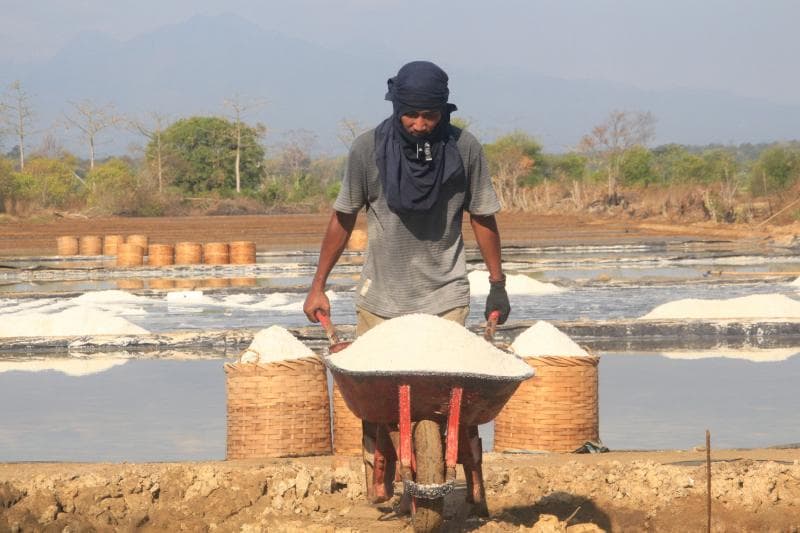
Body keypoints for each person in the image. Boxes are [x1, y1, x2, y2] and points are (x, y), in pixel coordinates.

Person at [302, 60, 509, 512]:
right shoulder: (367, 151)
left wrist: (498, 283)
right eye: (410, 115)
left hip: (446, 295)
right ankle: (378, 477)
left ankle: (468, 471)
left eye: (429, 116)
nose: (418, 125)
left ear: (444, 111)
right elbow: (343, 217)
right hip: (381, 299)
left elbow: (483, 217)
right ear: (396, 108)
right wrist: (318, 284)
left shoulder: (465, 150)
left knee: (448, 403)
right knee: (377, 406)